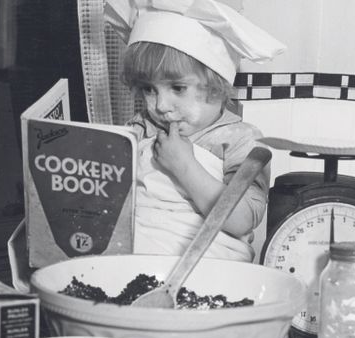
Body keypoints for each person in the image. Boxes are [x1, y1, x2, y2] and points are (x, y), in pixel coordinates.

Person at [105, 0, 285, 262]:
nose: (160, 106)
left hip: (205, 268)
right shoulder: (141, 127)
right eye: (148, 89)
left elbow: (243, 220)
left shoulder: (241, 140)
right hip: (134, 257)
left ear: (217, 85)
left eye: (177, 88)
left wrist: (184, 165)